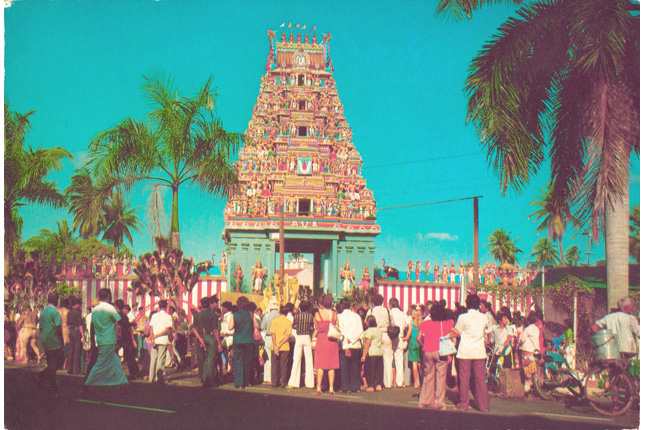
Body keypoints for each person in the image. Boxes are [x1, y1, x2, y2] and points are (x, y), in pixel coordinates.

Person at [449, 294, 490, 412]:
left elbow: (458, 332)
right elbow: (484, 330)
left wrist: (451, 330)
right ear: (478, 304)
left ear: (467, 304)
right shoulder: (483, 317)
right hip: (479, 351)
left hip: (465, 351)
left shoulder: (462, 317)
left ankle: (463, 404)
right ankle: (484, 405)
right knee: (480, 379)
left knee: (464, 378)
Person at [85, 288, 128, 388]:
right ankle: (88, 383)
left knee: (115, 361)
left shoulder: (95, 310)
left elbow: (92, 326)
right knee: (101, 363)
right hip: (108, 340)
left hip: (100, 339)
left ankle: (121, 380)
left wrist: (92, 340)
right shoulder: (110, 308)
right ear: (109, 296)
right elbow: (120, 321)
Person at [417, 303, 454, 410]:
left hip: (428, 351)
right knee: (441, 378)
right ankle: (439, 403)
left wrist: (424, 345)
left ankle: (424, 401)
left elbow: (418, 338)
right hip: (440, 351)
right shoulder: (446, 324)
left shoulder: (426, 323)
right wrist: (448, 337)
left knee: (428, 376)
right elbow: (458, 332)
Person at [33, 291, 64, 391]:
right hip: (53, 339)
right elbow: (58, 327)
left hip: (45, 338)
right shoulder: (55, 312)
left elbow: (41, 327)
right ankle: (41, 375)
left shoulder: (43, 311)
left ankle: (52, 385)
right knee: (58, 361)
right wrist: (61, 340)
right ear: (57, 300)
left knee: (51, 361)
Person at [313, 294, 339, 395]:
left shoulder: (317, 315)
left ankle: (319, 387)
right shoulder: (334, 314)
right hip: (331, 340)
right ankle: (331, 388)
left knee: (320, 365)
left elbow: (317, 328)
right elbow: (337, 326)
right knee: (331, 366)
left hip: (321, 339)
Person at [192, 297, 221, 387]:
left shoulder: (197, 315)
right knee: (211, 358)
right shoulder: (214, 315)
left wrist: (200, 339)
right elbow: (215, 330)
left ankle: (203, 377)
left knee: (202, 358)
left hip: (200, 336)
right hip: (209, 336)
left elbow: (193, 328)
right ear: (209, 304)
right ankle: (211, 378)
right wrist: (219, 343)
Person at [337, 298, 363, 393]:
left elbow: (340, 331)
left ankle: (345, 386)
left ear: (341, 306)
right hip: (355, 344)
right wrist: (352, 340)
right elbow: (360, 331)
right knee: (354, 366)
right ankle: (355, 386)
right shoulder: (356, 316)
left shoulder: (339, 317)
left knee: (344, 366)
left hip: (344, 344)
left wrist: (347, 341)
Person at [287, 300, 315, 389]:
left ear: (300, 308)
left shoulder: (297, 316)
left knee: (297, 359)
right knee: (309, 360)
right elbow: (311, 327)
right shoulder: (310, 316)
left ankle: (294, 382)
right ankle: (310, 383)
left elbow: (293, 326)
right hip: (307, 337)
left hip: (299, 337)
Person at [366, 294, 391, 388]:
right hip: (386, 333)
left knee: (375, 360)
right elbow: (391, 321)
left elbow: (366, 321)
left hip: (375, 334)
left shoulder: (371, 311)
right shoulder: (386, 310)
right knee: (388, 358)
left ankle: (375, 382)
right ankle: (388, 382)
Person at [230, 296, 254, 388]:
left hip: (238, 340)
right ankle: (248, 382)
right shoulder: (250, 314)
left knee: (238, 362)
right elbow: (256, 325)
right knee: (248, 362)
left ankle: (239, 383)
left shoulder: (235, 315)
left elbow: (230, 327)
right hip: (248, 340)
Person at [148, 300, 174, 384]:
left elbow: (151, 327)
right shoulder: (168, 317)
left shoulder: (154, 316)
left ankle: (150, 378)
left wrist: (152, 338)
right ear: (166, 307)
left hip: (154, 340)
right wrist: (157, 335)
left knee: (153, 359)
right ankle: (158, 378)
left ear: (159, 307)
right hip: (162, 340)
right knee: (160, 359)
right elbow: (167, 330)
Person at [388, 298, 412, 387]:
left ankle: (389, 381)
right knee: (399, 361)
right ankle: (399, 382)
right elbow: (410, 327)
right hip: (400, 338)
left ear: (390, 304)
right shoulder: (403, 314)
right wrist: (407, 337)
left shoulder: (390, 313)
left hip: (390, 338)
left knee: (389, 360)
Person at [114, 299, 140, 380]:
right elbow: (127, 324)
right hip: (125, 338)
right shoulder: (122, 315)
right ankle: (135, 372)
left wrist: (132, 323)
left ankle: (134, 373)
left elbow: (126, 324)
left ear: (116, 306)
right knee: (129, 356)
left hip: (122, 338)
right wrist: (132, 323)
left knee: (128, 356)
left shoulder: (119, 315)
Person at [486, 310, 514, 383]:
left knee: (507, 370)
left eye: (507, 318)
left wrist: (507, 341)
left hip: (506, 352)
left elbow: (510, 336)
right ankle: (492, 383)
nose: (506, 320)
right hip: (497, 351)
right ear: (500, 320)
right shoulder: (495, 328)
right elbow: (486, 332)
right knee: (492, 369)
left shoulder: (508, 328)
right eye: (504, 318)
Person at [270, 305, 293, 388]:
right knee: (284, 365)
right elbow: (287, 336)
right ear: (287, 313)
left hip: (274, 346)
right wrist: (280, 345)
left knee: (274, 364)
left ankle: (274, 382)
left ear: (279, 311)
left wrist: (276, 346)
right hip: (285, 346)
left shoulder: (274, 321)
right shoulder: (288, 322)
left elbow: (273, 334)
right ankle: (283, 381)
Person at [519, 312, 541, 393]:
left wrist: (519, 343)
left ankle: (527, 388)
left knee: (527, 369)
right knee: (533, 368)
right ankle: (533, 386)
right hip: (535, 350)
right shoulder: (537, 329)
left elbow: (522, 339)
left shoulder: (527, 329)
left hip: (527, 350)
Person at [361, 315, 383, 392]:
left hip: (371, 352)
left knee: (370, 370)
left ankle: (371, 386)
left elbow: (367, 344)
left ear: (369, 322)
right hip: (379, 352)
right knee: (378, 370)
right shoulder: (379, 330)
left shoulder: (368, 331)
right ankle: (378, 385)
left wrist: (364, 355)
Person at [260, 299, 280, 384]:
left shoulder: (266, 316)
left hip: (268, 337)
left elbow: (262, 327)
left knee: (267, 358)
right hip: (277, 338)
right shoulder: (280, 315)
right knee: (275, 359)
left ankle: (267, 378)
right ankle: (275, 378)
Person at [65, 297, 84, 375]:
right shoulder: (78, 312)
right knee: (77, 350)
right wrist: (82, 335)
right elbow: (80, 325)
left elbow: (67, 325)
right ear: (76, 304)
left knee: (70, 350)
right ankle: (76, 369)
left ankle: (69, 368)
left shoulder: (69, 312)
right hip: (76, 331)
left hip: (70, 331)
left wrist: (67, 336)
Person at [408, 307, 423, 389]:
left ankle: (415, 382)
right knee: (420, 363)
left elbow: (409, 334)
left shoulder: (411, 324)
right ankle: (422, 381)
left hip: (413, 341)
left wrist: (405, 338)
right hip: (420, 341)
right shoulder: (421, 323)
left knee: (414, 363)